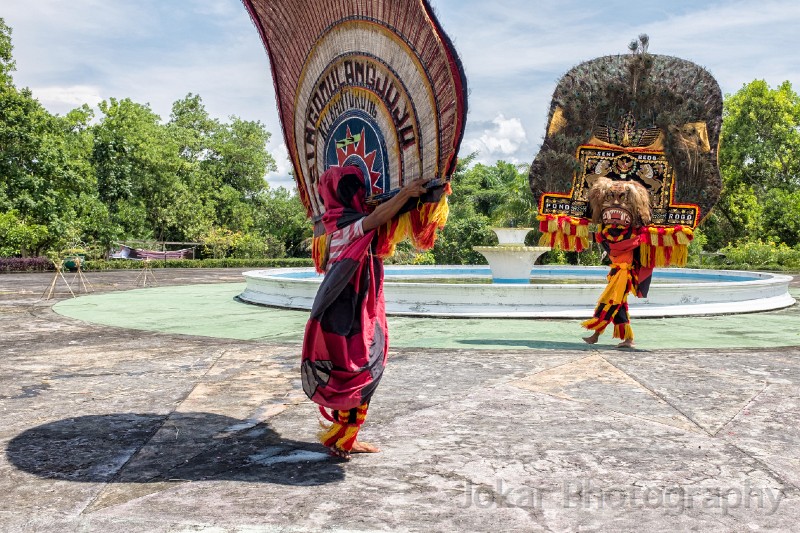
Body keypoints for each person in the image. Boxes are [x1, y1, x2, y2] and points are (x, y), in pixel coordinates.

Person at [300, 165, 430, 460]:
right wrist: (408, 192)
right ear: (349, 193)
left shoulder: (329, 225)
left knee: (351, 369)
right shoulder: (348, 225)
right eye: (358, 188)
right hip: (350, 315)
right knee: (362, 368)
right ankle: (344, 438)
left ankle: (344, 435)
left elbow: (376, 218)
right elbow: (376, 218)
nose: (363, 193)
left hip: (339, 312)